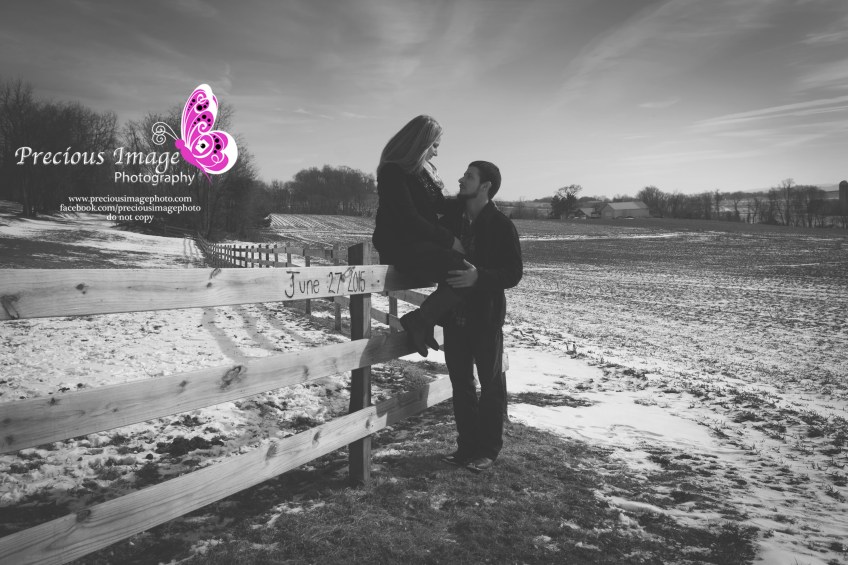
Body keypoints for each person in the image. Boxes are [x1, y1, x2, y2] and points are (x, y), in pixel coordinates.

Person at [439, 161, 522, 473]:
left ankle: (488, 450)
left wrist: (479, 277)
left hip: (485, 318)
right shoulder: (452, 221)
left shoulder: (501, 225)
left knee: (490, 386)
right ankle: (466, 448)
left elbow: (514, 273)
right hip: (454, 317)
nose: (461, 179)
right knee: (460, 385)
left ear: (486, 186)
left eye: (469, 176)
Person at [372, 115, 469, 356]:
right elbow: (409, 219)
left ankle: (423, 322)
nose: (436, 153)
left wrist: (476, 200)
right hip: (401, 246)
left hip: (420, 244)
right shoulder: (392, 172)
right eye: (434, 145)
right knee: (464, 272)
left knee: (468, 272)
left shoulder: (422, 173)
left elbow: (441, 206)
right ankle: (421, 321)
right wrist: (450, 241)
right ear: (420, 143)